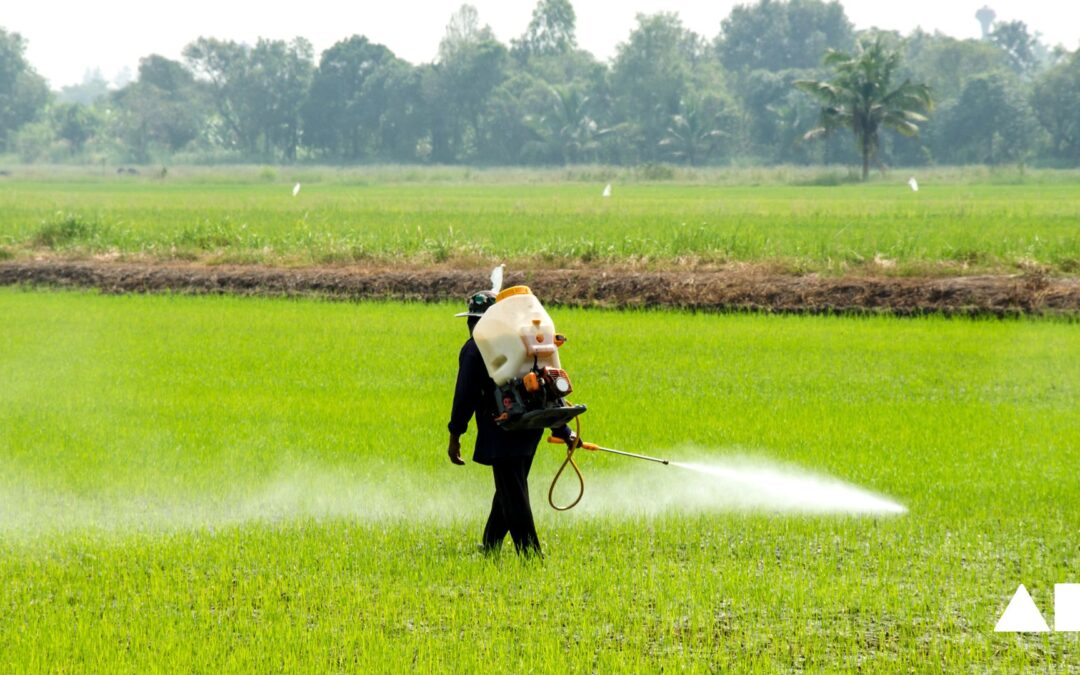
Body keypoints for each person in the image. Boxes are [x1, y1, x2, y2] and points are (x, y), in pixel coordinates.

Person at [447, 290, 577, 557]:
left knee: (513, 494)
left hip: (501, 429)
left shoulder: (475, 348)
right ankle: (490, 546)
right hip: (531, 428)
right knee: (509, 489)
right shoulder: (521, 343)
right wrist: (562, 429)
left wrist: (455, 434)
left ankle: (531, 555)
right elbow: (546, 389)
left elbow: (465, 396)